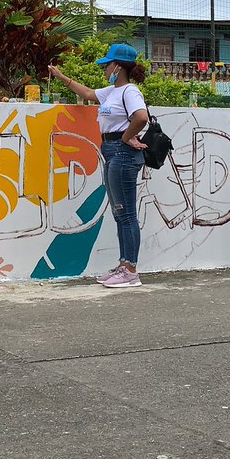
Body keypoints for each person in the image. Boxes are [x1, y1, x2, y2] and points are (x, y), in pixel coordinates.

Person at [49, 42, 149, 288]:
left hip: (122, 152)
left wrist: (126, 137)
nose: (104, 69)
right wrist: (61, 77)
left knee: (127, 214)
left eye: (107, 65)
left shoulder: (129, 91)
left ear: (118, 66)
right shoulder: (112, 91)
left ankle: (130, 270)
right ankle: (124, 265)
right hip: (111, 150)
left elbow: (141, 117)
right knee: (120, 213)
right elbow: (87, 94)